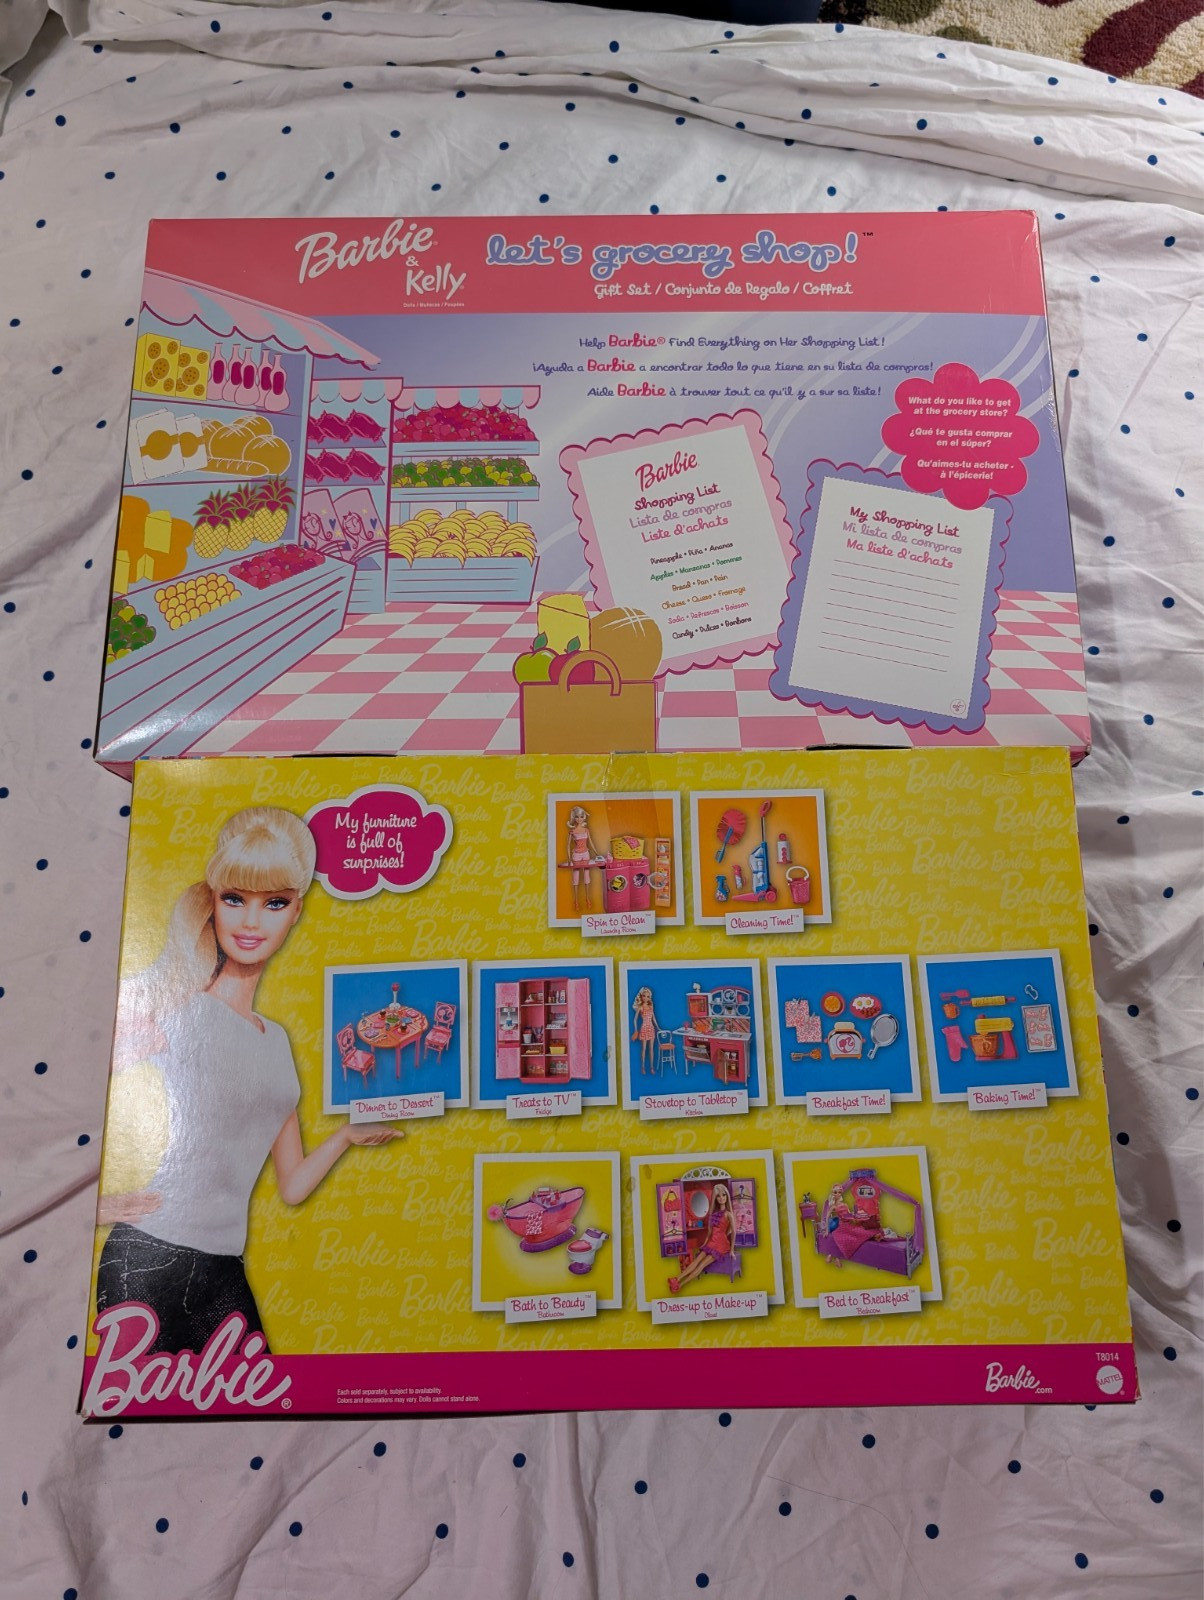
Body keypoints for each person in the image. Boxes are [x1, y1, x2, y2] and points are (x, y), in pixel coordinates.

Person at [94, 806, 402, 1355]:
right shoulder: (175, 1011)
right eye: (235, 899)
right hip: (147, 1256)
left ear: (297, 910)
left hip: (223, 1267)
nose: (251, 922)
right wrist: (94, 1206)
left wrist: (345, 1137)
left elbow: (293, 1185)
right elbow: (83, 1105)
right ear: (213, 901)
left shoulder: (276, 1040)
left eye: (274, 903)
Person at [668, 1184, 735, 1293]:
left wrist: (731, 1250)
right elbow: (710, 1232)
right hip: (712, 1242)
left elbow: (733, 1232)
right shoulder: (714, 1213)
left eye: (723, 1195)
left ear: (726, 1196)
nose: (721, 1198)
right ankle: (677, 1279)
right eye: (718, 1196)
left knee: (701, 1265)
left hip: (721, 1245)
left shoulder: (729, 1214)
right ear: (715, 1198)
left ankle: (680, 1285)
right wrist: (705, 1243)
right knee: (696, 1261)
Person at [565, 805, 601, 912]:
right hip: (576, 855)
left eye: (581, 816)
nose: (579, 819)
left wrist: (597, 854)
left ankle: (587, 898)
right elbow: (568, 846)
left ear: (583, 817)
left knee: (587, 877)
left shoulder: (586, 830)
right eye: (577, 817)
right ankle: (576, 901)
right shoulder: (572, 832)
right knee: (575, 878)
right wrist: (569, 859)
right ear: (574, 817)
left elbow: (591, 843)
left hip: (586, 854)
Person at [631, 985, 659, 1074]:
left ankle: (651, 1067)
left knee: (651, 1048)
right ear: (641, 996)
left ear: (650, 997)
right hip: (644, 1028)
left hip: (651, 1028)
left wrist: (658, 1027)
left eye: (648, 996)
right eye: (644, 996)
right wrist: (636, 1030)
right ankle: (643, 1067)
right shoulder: (640, 1007)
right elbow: (635, 1019)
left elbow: (653, 1018)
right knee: (643, 1049)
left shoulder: (651, 1006)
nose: (646, 998)